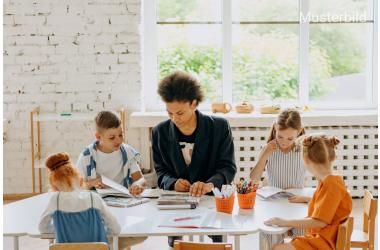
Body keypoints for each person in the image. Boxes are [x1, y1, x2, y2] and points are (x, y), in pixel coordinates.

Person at [152, 71, 237, 247]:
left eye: (180, 113)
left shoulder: (219, 127)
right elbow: (160, 171)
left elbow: (227, 167)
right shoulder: (159, 132)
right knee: (177, 244)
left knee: (217, 243)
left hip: (211, 202)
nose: (174, 119)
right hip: (177, 204)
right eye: (169, 113)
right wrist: (172, 182)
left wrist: (209, 184)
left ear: (194, 103)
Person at [265, 134, 352, 250]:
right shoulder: (330, 180)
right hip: (324, 237)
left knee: (277, 248)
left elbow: (320, 222)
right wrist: (307, 199)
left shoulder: (331, 185)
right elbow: (329, 205)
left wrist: (285, 222)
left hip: (324, 241)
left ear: (306, 160)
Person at [39, 152, 120, 244]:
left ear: (54, 187)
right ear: (81, 181)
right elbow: (115, 229)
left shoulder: (55, 200)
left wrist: (59, 229)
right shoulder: (94, 197)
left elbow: (43, 228)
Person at [76, 111, 146, 196]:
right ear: (98, 137)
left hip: (122, 199)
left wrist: (137, 184)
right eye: (112, 138)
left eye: (120, 135)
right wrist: (91, 183)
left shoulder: (127, 152)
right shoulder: (86, 156)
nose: (119, 140)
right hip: (97, 200)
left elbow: (141, 179)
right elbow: (77, 186)